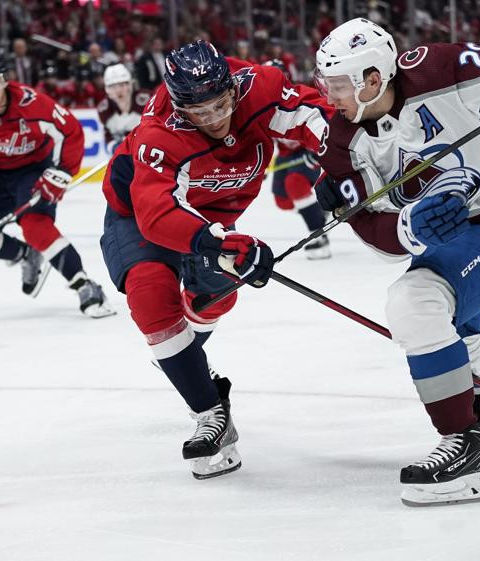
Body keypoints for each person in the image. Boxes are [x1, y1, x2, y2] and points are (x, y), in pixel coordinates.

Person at [311, 19, 480, 506]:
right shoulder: (343, 141)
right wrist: (408, 228)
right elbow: (374, 234)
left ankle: (464, 444)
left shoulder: (432, 69)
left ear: (373, 78)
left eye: (340, 84)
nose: (331, 95)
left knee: (416, 303)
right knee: (459, 332)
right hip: (450, 246)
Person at [99, 40, 331, 479]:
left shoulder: (259, 87)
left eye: (220, 104)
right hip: (138, 213)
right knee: (151, 297)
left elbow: (316, 117)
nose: (213, 117)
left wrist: (346, 163)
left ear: (232, 89)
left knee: (209, 302)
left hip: (216, 214)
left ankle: (187, 356)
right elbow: (157, 213)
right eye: (198, 112)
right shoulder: (159, 133)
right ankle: (210, 413)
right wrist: (218, 243)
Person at [0, 52, 114, 317]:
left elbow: (70, 131)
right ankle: (25, 256)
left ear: (5, 80)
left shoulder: (33, 103)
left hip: (33, 170)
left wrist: (59, 174)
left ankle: (85, 285)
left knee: (36, 228)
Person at [263, 60, 330, 259]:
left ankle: (318, 235)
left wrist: (318, 151)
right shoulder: (258, 103)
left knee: (295, 184)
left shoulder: (299, 97)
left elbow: (322, 120)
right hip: (286, 155)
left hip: (306, 150)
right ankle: (318, 211)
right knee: (283, 201)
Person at [97, 63, 150, 152]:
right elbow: (108, 135)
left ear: (130, 85)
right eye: (112, 87)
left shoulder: (147, 100)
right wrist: (114, 147)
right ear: (107, 90)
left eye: (122, 85)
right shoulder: (105, 109)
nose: (118, 90)